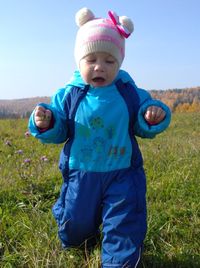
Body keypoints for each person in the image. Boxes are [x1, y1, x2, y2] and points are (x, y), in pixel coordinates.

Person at [29, 7, 171, 268]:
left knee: (124, 223)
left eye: (109, 61)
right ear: (78, 61)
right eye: (91, 59)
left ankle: (120, 261)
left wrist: (152, 116)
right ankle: (79, 238)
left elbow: (142, 119)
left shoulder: (128, 91)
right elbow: (61, 129)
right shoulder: (70, 94)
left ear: (119, 63)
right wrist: (48, 121)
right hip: (80, 174)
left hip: (123, 173)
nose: (99, 67)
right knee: (75, 228)